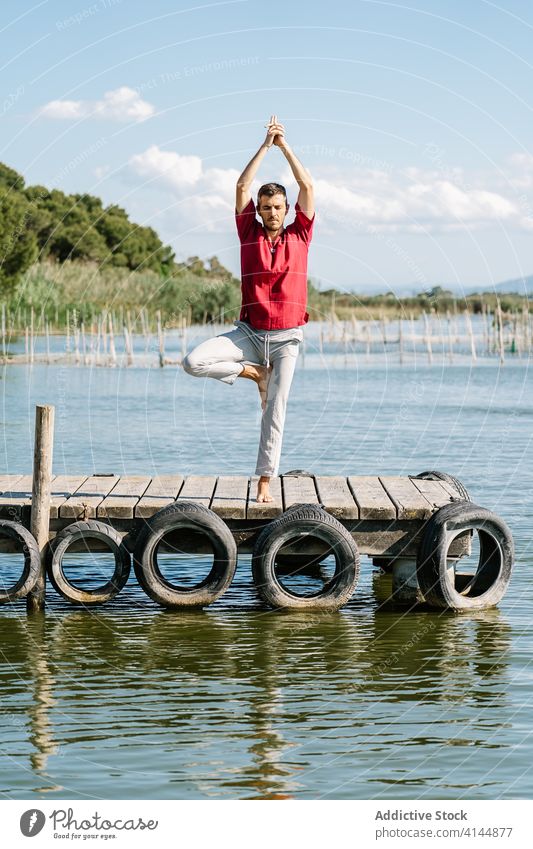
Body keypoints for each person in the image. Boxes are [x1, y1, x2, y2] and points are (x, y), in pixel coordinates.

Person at [182, 115, 315, 503]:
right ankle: (253, 373)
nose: (272, 212)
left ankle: (263, 481)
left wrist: (284, 146)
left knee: (275, 409)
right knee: (193, 362)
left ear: (287, 209)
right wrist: (264, 146)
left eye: (277, 206)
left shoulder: (300, 234)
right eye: (265, 207)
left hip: (287, 339)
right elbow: (241, 184)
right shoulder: (248, 232)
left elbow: (307, 185)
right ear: (258, 210)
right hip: (249, 334)